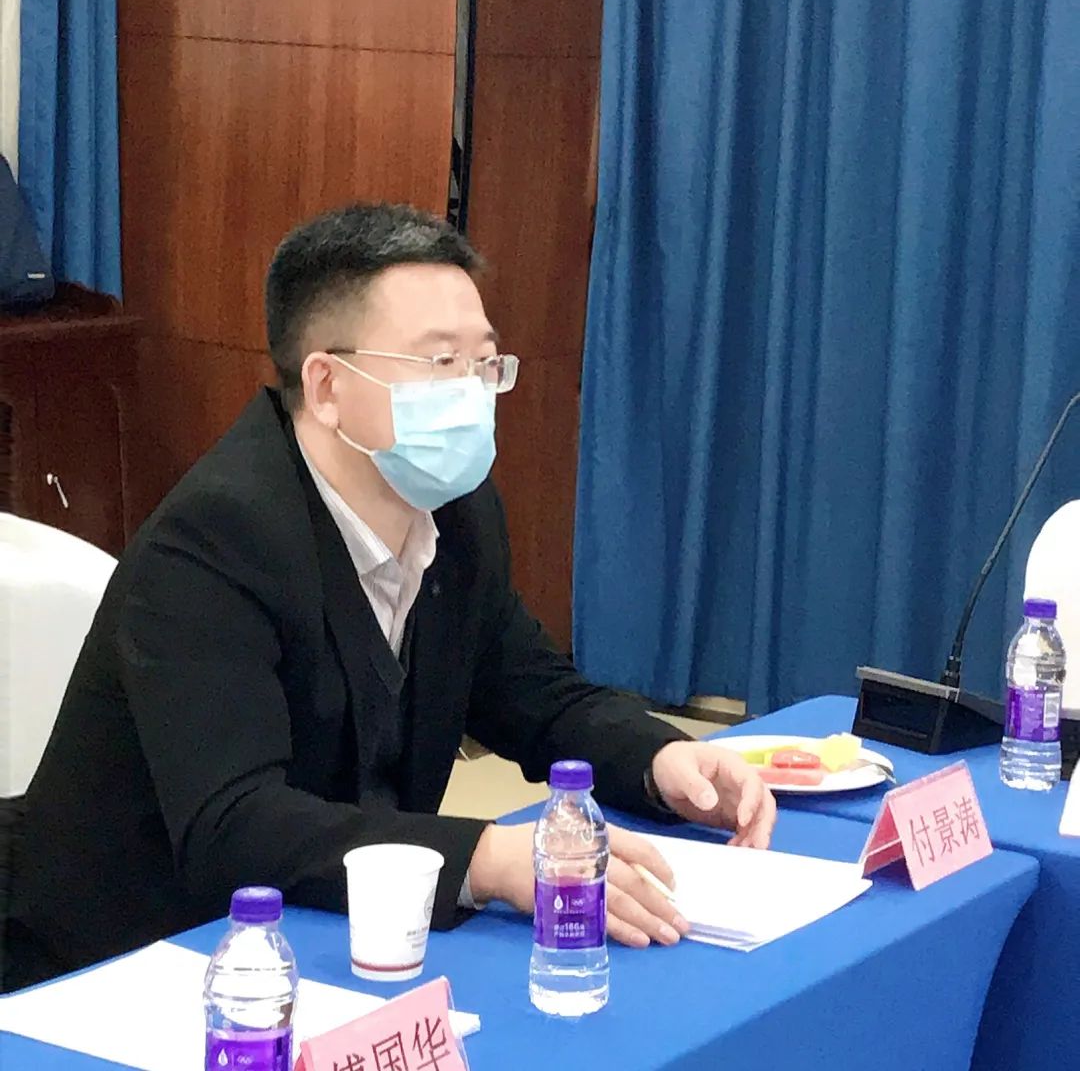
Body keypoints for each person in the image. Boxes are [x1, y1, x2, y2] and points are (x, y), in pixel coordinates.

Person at [5, 204, 775, 991]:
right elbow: (234, 824)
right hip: (121, 964)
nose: (473, 393)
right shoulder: (214, 540)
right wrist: (486, 857)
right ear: (327, 385)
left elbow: (533, 693)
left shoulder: (457, 512)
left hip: (333, 935)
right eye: (440, 362)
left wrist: (659, 760)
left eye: (485, 363)